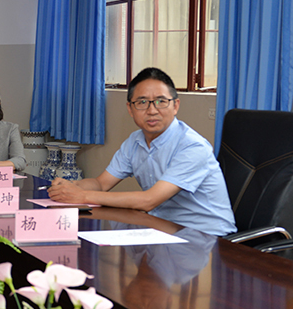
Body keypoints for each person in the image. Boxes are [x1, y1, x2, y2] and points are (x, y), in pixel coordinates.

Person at [48, 67, 237, 236]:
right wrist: (70, 186)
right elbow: (101, 183)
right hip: (163, 229)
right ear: (130, 109)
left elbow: (149, 200)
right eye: (142, 102)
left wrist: (82, 196)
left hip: (208, 239)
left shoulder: (192, 146)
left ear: (175, 106)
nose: (152, 110)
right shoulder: (134, 141)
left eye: (161, 101)